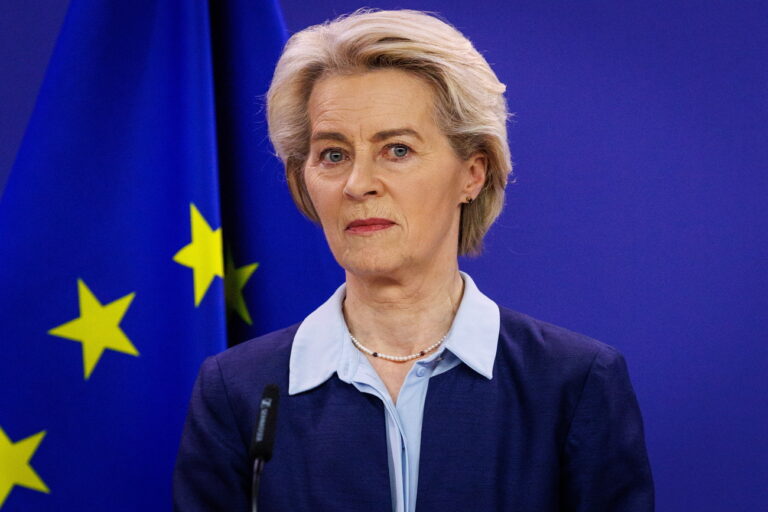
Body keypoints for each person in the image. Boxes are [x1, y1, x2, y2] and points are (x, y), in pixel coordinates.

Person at [173, 9, 654, 512]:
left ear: (472, 174)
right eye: (333, 155)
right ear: (303, 181)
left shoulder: (573, 384)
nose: (358, 184)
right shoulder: (239, 391)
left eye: (397, 149)